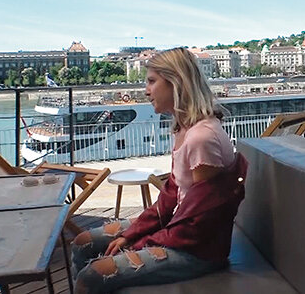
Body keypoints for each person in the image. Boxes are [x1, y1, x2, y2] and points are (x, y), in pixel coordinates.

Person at [71, 47, 248, 293]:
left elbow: (201, 222)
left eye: (152, 81)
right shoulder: (185, 129)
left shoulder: (202, 138)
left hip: (198, 251)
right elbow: (172, 193)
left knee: (91, 276)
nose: (146, 90)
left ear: (176, 82)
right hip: (182, 230)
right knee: (82, 243)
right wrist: (132, 234)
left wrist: (139, 242)